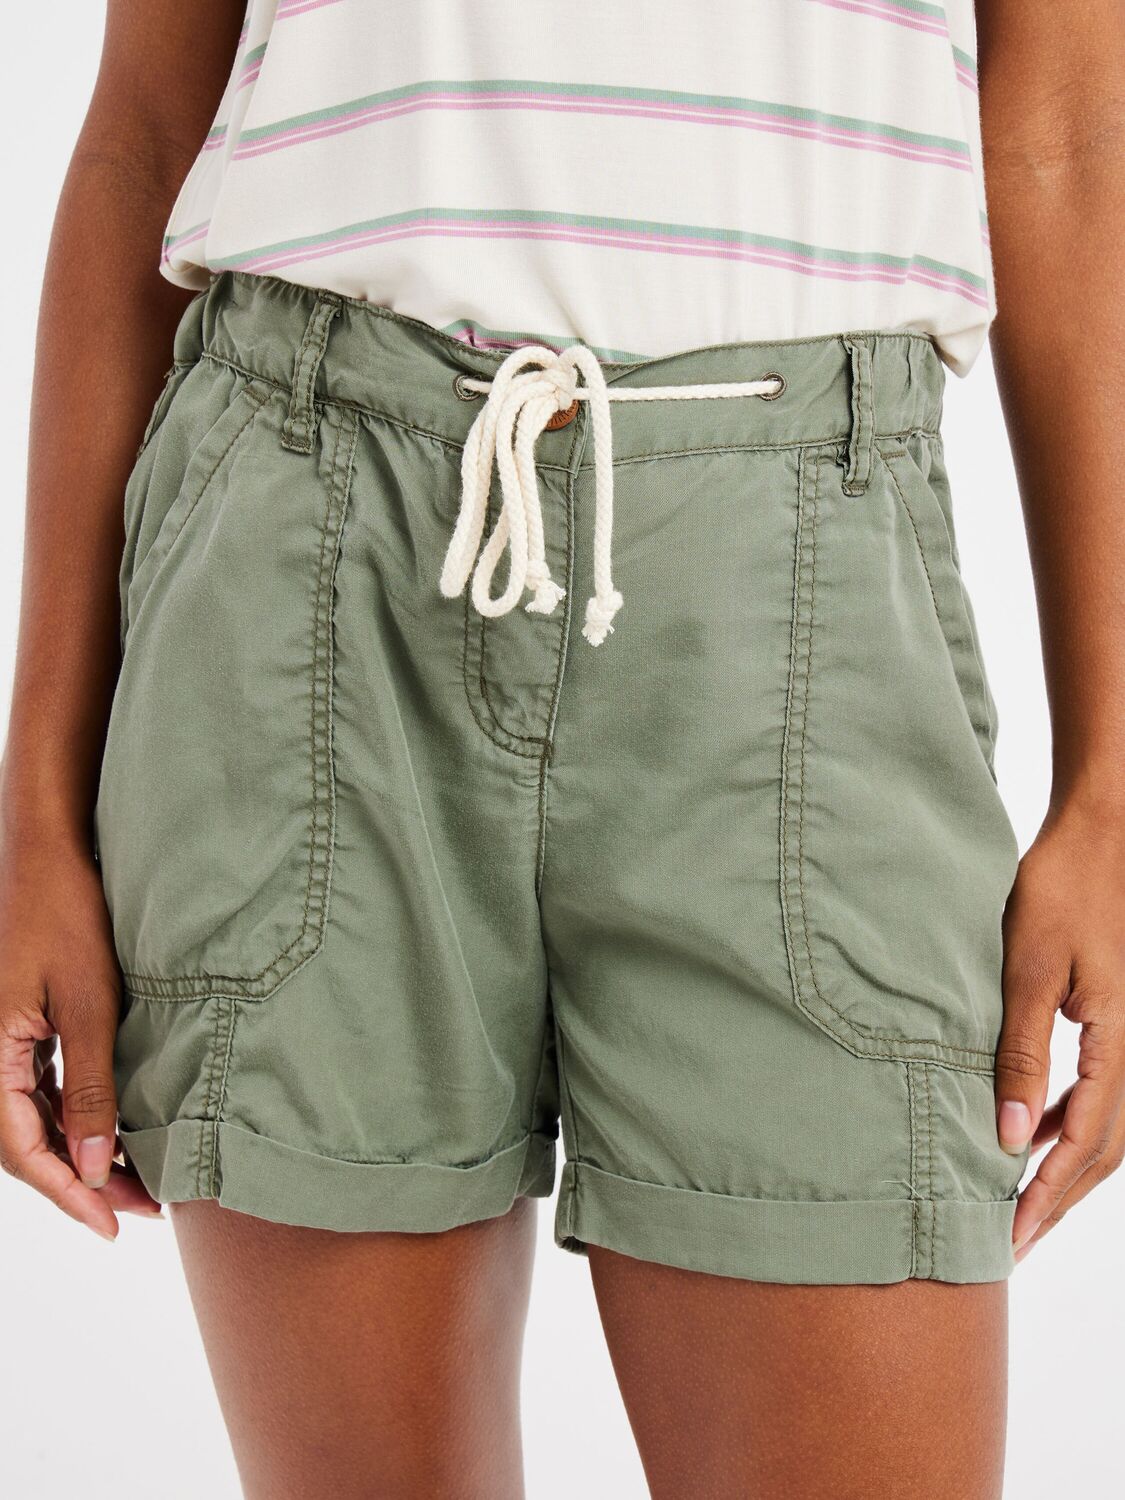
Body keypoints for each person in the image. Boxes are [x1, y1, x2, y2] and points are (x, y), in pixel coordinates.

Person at [2, 2, 1122, 1496]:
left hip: (805, 596)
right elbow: (147, 130)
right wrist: (35, 815)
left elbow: (1066, 140)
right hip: (315, 577)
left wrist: (1112, 794)